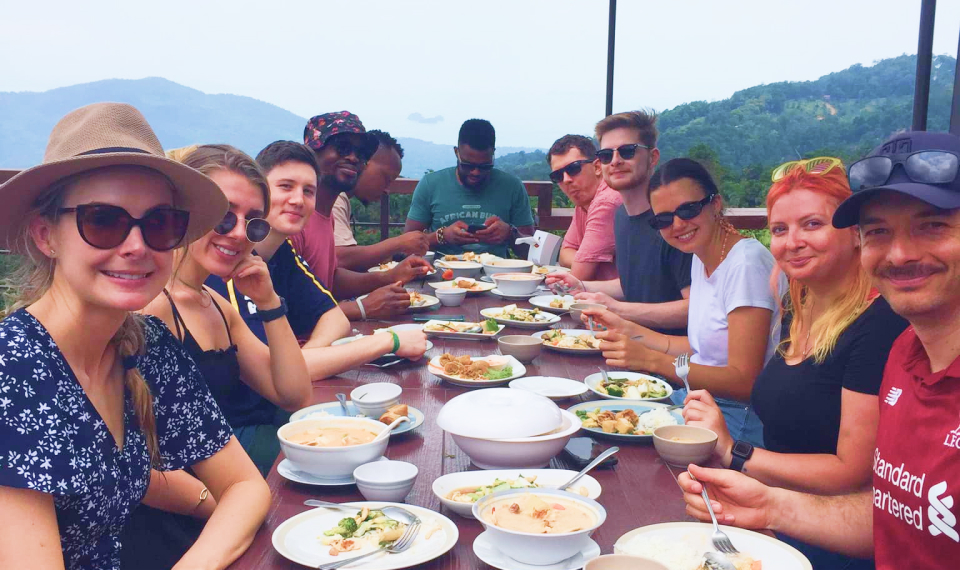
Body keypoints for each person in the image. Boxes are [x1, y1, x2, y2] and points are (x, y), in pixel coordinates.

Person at [0, 102, 269, 570]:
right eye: (103, 220)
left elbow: (247, 487)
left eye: (160, 223)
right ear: (47, 235)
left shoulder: (148, 347)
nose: (137, 246)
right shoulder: (13, 372)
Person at [679, 131, 960, 569]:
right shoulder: (906, 348)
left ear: (849, 241)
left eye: (933, 226)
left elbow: (852, 473)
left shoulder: (884, 327)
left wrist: (738, 454)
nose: (901, 253)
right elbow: (897, 515)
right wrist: (770, 505)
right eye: (880, 232)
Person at [587, 158, 786, 447]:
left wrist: (651, 360)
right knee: (600, 416)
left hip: (736, 418)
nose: (678, 225)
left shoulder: (746, 264)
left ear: (715, 204)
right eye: (663, 219)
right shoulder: (700, 257)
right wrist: (628, 330)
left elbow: (745, 381)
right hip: (698, 399)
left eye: (688, 209)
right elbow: (698, 350)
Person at [206, 140, 427, 377]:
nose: (298, 200)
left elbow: (335, 319)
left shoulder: (282, 251)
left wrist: (303, 357)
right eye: (285, 186)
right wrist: (388, 341)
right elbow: (274, 374)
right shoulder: (229, 264)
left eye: (308, 191)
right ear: (258, 192)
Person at [547, 110, 692, 336]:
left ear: (653, 157)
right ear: (599, 165)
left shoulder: (676, 221)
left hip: (672, 355)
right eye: (606, 155)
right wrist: (583, 286)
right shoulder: (622, 217)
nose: (615, 161)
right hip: (627, 340)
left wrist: (618, 309)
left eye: (627, 151)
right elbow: (631, 285)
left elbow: (694, 308)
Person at [292, 112, 432, 320]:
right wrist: (362, 308)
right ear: (312, 151)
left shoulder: (325, 214)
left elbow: (330, 280)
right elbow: (285, 309)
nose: (353, 158)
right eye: (342, 148)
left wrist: (389, 276)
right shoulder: (293, 217)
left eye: (361, 153)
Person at [403, 118, 535, 258]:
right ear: (456, 152)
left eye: (484, 166)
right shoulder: (431, 184)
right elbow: (406, 247)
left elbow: (531, 251)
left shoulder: (512, 187)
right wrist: (442, 236)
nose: (475, 172)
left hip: (496, 273)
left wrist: (510, 233)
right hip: (441, 272)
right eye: (467, 165)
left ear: (493, 154)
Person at [333, 130, 430, 271]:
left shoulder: (342, 199)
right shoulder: (335, 199)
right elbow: (341, 259)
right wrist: (398, 243)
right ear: (363, 162)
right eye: (386, 178)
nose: (387, 189)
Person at [547, 134, 621, 281]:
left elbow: (579, 276)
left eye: (574, 169)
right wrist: (586, 261)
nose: (566, 179)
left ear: (597, 167)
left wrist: (585, 263)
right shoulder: (583, 202)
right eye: (558, 175)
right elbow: (564, 253)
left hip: (627, 299)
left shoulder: (606, 202)